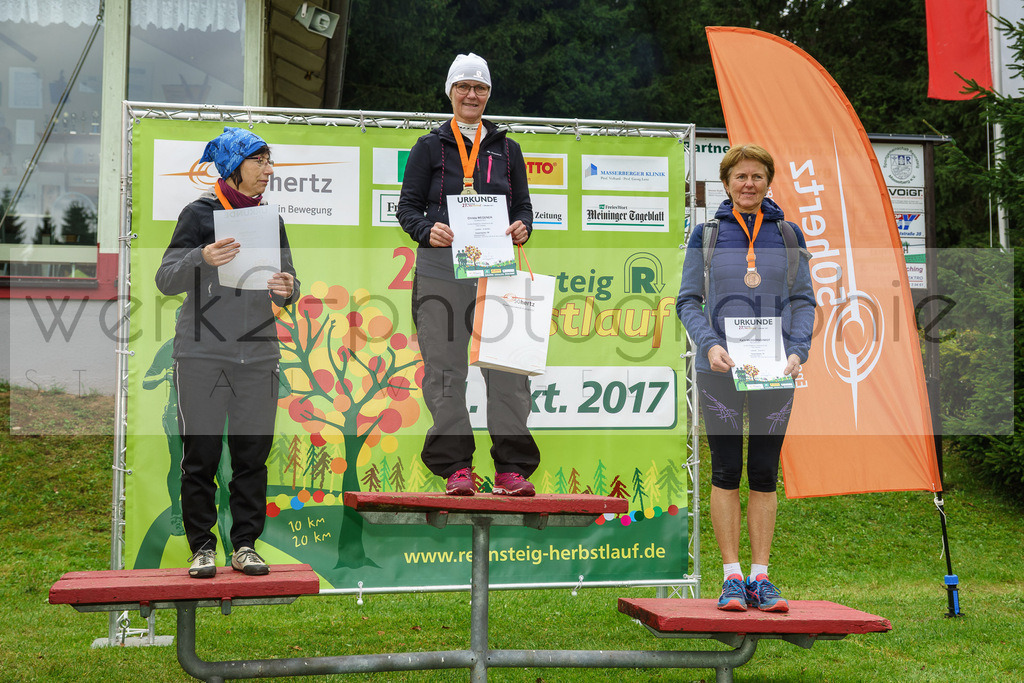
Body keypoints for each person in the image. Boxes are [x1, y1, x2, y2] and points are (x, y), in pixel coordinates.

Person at [675, 144, 815, 612]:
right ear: (727, 183)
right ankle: (732, 577)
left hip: (775, 369)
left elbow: (802, 301)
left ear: (768, 182)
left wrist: (797, 351)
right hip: (720, 367)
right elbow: (687, 300)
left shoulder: (790, 235)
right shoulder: (707, 235)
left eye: (757, 176)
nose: (749, 184)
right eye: (740, 177)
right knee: (726, 468)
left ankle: (761, 577)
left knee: (764, 471)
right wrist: (709, 344)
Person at [155, 126, 300, 578]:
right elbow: (165, 278)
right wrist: (202, 257)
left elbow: (288, 280)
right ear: (235, 165)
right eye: (259, 161)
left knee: (252, 455)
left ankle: (245, 545)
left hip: (258, 355)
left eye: (270, 162)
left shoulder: (269, 219)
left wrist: (287, 288)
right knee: (199, 456)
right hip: (201, 355)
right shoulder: (198, 213)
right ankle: (201, 548)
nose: (268, 170)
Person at [396, 53, 539, 497]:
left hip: (496, 270)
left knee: (509, 372)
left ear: (488, 94)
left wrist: (523, 227)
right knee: (444, 372)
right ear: (450, 93)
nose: (472, 94)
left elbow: (523, 207)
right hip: (441, 270)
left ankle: (510, 469)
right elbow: (406, 209)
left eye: (480, 88)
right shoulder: (428, 147)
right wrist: (426, 229)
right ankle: (457, 466)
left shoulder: (508, 149)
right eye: (463, 87)